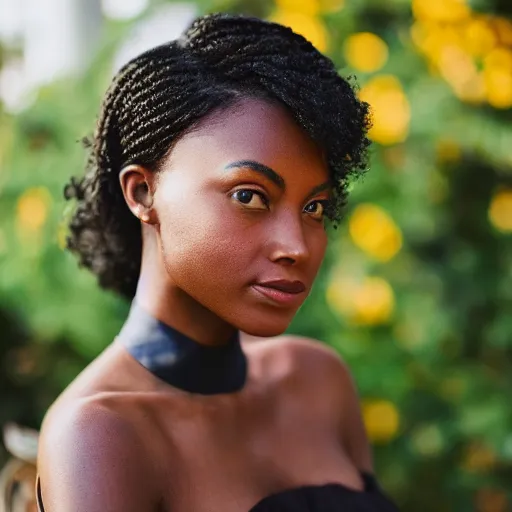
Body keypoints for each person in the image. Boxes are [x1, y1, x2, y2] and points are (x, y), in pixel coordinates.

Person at [35, 12, 399, 512]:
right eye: (250, 196)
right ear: (143, 192)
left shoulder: (317, 382)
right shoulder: (101, 433)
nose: (296, 245)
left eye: (313, 207)